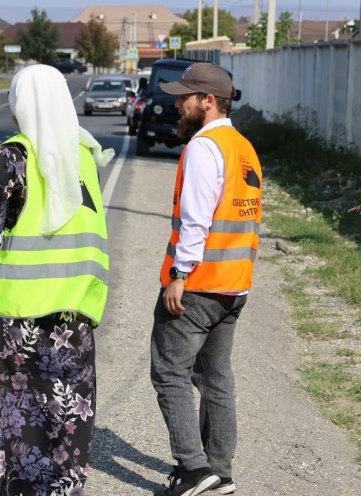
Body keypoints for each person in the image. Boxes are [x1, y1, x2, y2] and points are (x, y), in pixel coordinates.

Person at [0, 64, 114, 495]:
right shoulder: (83, 154)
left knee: (13, 427)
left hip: (13, 324)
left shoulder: (12, 156)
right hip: (73, 318)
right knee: (65, 425)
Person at [149, 62, 262, 496]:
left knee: (169, 372)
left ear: (208, 101)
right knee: (216, 376)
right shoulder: (243, 147)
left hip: (198, 284)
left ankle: (194, 469)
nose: (177, 104)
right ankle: (220, 470)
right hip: (235, 285)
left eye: (185, 97)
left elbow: (196, 220)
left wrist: (179, 274)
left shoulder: (203, 147)